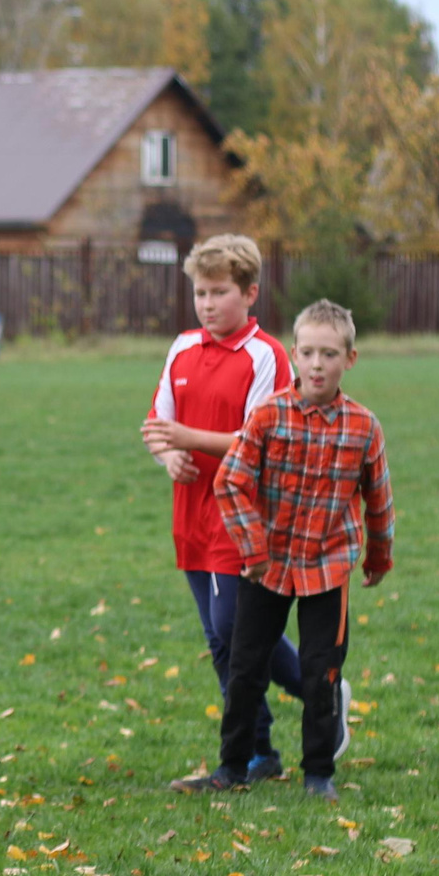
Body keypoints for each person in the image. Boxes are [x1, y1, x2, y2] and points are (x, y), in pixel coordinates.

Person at [182, 299, 393, 803]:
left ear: (350, 359)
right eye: (308, 353)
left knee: (321, 671)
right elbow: (230, 483)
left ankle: (318, 773)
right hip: (267, 567)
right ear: (294, 355)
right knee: (245, 667)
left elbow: (378, 499)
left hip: (328, 567)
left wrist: (379, 556)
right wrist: (253, 550)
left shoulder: (364, 427)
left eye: (330, 354)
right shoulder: (268, 416)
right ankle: (234, 765)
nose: (318, 364)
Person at [137, 234, 323, 783]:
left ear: (249, 293)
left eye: (219, 292)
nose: (207, 303)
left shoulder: (266, 355)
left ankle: (320, 692)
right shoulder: (181, 348)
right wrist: (168, 454)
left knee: (233, 631)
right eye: (200, 292)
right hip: (190, 513)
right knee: (223, 640)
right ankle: (260, 753)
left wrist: (185, 435)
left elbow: (260, 440)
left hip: (242, 516)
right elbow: (156, 425)